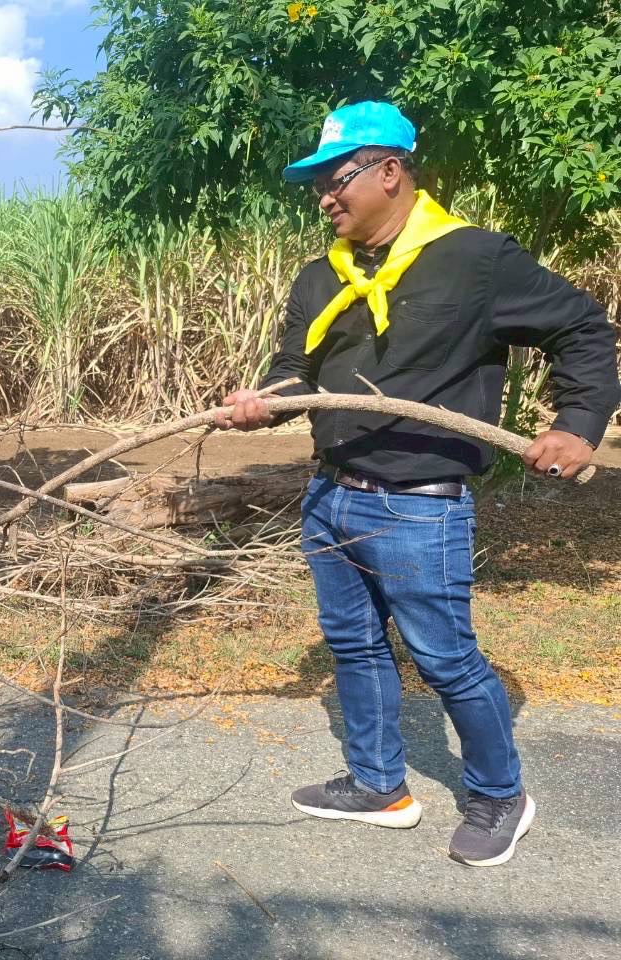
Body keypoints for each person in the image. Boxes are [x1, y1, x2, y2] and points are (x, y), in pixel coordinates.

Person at [214, 102, 621, 867]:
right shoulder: (320, 277)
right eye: (316, 187)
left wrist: (577, 423)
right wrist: (260, 401)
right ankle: (379, 786)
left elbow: (581, 329)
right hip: (330, 497)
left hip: (419, 507)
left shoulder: (474, 260)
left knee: (445, 658)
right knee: (354, 646)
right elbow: (295, 369)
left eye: (336, 180)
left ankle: (500, 796)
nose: (324, 198)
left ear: (390, 171)